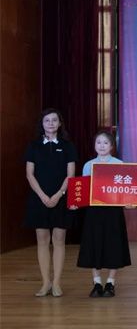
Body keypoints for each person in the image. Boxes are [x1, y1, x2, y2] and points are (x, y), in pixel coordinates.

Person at [24, 108, 77, 297]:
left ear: (60, 123)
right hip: (39, 199)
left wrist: (58, 194)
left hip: (61, 198)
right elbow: (29, 174)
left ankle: (56, 283)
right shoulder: (33, 146)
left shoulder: (68, 146)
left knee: (59, 239)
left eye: (54, 120)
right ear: (42, 124)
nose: (51, 123)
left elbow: (71, 175)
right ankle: (45, 282)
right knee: (42, 240)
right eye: (47, 120)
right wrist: (43, 196)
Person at [76, 131, 131, 297]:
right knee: (94, 244)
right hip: (94, 212)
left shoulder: (120, 164)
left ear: (112, 146)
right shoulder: (88, 165)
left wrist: (129, 202)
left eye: (106, 143)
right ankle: (97, 282)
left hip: (113, 212)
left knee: (114, 245)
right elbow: (83, 190)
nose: (102, 146)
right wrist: (75, 202)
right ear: (94, 145)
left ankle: (110, 282)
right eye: (98, 142)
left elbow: (125, 191)